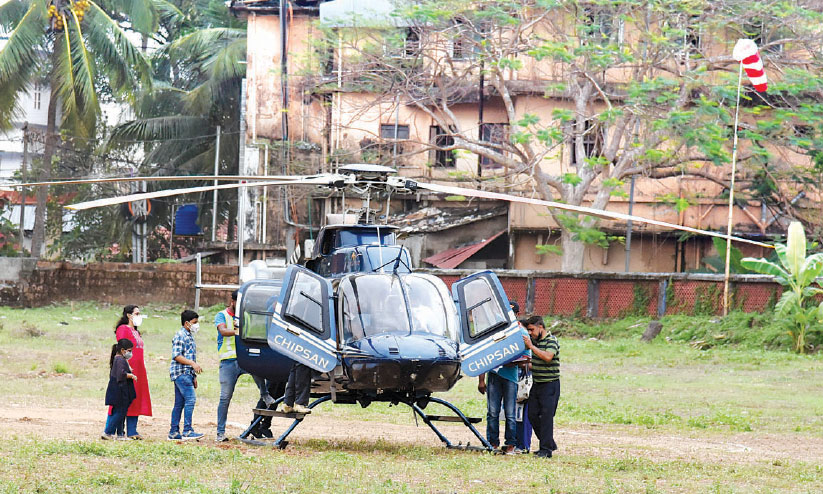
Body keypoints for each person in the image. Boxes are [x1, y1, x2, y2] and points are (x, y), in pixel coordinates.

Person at [215, 290, 274, 442]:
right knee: (225, 397)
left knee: (258, 368)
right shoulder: (222, 315)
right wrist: (239, 331)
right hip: (228, 361)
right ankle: (220, 433)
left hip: (244, 357)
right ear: (233, 301)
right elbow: (223, 330)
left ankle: (264, 394)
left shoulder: (245, 315)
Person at [477, 300, 529, 453]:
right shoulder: (495, 331)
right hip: (493, 376)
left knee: (510, 413)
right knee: (492, 412)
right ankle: (492, 443)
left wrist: (512, 362)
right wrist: (481, 380)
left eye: (513, 313)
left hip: (510, 378)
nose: (510, 316)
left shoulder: (522, 333)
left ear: (517, 315)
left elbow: (527, 358)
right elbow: (484, 356)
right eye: (507, 313)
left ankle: (510, 444)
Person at [110, 305, 152, 440]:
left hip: (139, 370)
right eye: (137, 313)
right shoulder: (123, 329)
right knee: (122, 398)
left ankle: (132, 431)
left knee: (136, 398)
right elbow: (121, 348)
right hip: (127, 367)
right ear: (129, 315)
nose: (139, 316)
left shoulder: (136, 332)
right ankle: (115, 430)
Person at [522, 315, 560, 458]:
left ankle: (546, 450)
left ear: (540, 327)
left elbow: (548, 357)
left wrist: (531, 347)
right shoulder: (535, 342)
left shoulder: (551, 341)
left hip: (550, 385)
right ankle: (548, 442)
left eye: (532, 330)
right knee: (532, 415)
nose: (530, 333)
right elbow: (536, 362)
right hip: (537, 384)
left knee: (546, 417)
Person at [169, 309, 204, 441]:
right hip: (181, 373)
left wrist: (193, 376)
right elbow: (177, 356)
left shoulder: (189, 336)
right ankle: (187, 430)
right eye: (195, 322)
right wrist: (193, 364)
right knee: (190, 400)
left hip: (186, 373)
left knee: (179, 403)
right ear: (186, 323)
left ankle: (174, 432)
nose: (196, 325)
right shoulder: (180, 335)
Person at [102, 338, 137, 440]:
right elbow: (121, 374)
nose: (130, 353)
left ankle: (120, 434)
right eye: (129, 351)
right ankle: (108, 432)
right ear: (123, 350)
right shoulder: (120, 359)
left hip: (119, 390)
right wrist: (130, 375)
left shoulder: (119, 359)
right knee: (120, 412)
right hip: (120, 391)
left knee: (121, 412)